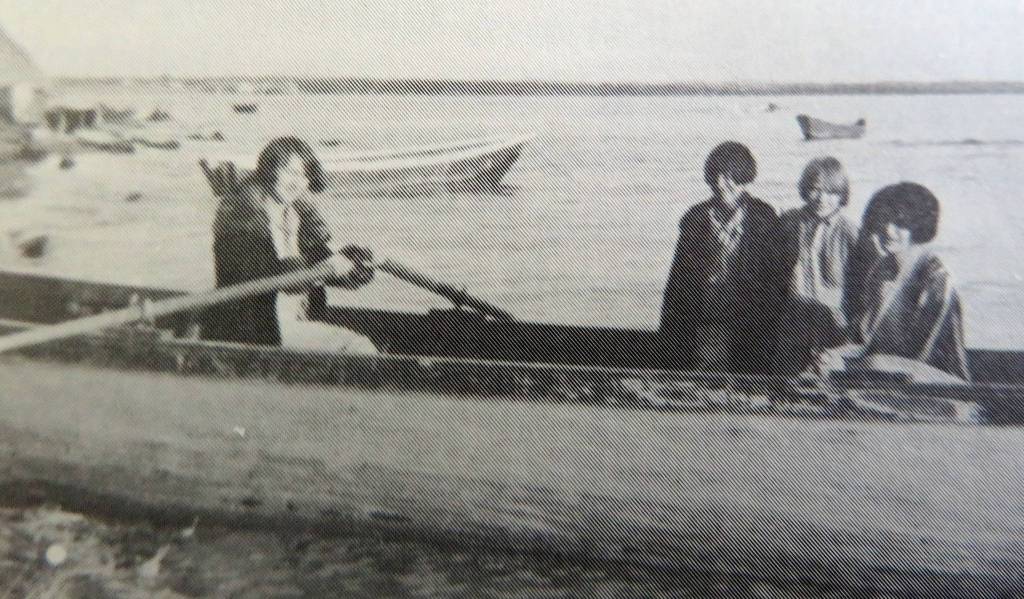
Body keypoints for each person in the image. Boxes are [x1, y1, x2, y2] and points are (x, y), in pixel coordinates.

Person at [201, 136, 377, 352]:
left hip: (293, 320)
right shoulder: (241, 214)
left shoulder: (296, 214)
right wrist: (325, 269)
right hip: (251, 328)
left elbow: (321, 262)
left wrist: (355, 265)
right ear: (269, 169)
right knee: (359, 348)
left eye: (303, 176)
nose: (296, 183)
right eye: (290, 172)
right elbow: (261, 273)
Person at [659, 141, 786, 373]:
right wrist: (670, 330)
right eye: (715, 176)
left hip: (751, 316)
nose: (720, 184)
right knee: (707, 375)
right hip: (706, 313)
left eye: (728, 177)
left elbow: (776, 278)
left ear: (744, 177)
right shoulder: (696, 218)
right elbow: (678, 280)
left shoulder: (764, 218)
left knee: (749, 377)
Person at [825, 182, 970, 382]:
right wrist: (833, 356)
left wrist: (852, 365)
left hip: (936, 382)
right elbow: (863, 339)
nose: (888, 231)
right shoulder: (881, 270)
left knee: (874, 364)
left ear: (917, 226)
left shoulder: (937, 279)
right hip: (885, 373)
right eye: (883, 221)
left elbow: (921, 355)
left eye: (900, 224)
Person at [773, 157, 857, 375]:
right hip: (793, 319)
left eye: (831, 192)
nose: (822, 199)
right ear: (805, 189)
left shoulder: (851, 233)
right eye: (815, 190)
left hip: (833, 323)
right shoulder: (789, 222)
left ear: (842, 194)